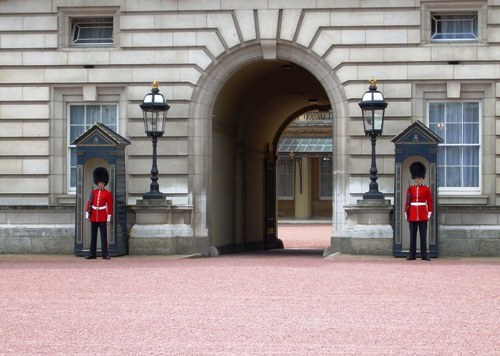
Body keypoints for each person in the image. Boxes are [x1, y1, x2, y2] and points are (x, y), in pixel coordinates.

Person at [404, 161, 433, 261]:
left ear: (422, 178)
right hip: (412, 214)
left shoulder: (426, 189)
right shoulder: (410, 189)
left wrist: (429, 213)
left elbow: (430, 202)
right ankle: (412, 255)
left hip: (422, 214)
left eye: (420, 178)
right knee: (413, 235)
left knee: (423, 235)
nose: (418, 179)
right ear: (414, 178)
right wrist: (406, 213)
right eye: (416, 178)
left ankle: (424, 255)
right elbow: (407, 202)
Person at [85, 167, 113, 260]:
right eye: (99, 182)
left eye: (102, 183)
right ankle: (92, 254)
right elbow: (89, 203)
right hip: (93, 216)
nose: (100, 184)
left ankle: (105, 254)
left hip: (102, 216)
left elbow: (110, 206)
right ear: (97, 183)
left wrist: (108, 218)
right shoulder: (93, 192)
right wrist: (87, 215)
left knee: (103, 236)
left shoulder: (108, 193)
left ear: (104, 183)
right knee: (93, 236)